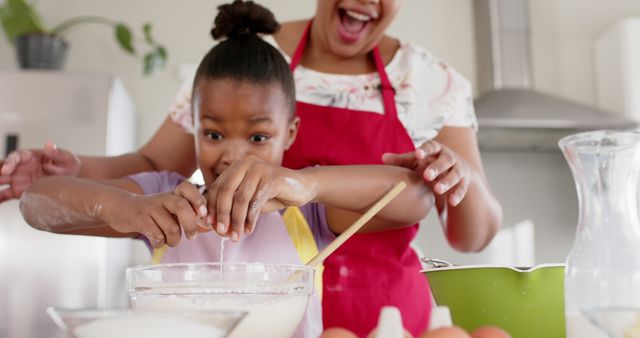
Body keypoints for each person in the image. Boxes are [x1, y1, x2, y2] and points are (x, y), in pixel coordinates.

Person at [2, 0, 502, 335]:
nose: (234, 154)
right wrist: (124, 206)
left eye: (258, 136)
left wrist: (305, 183)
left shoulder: (305, 212)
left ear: (292, 134)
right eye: (213, 133)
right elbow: (39, 204)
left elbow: (411, 197)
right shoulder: (170, 199)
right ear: (193, 125)